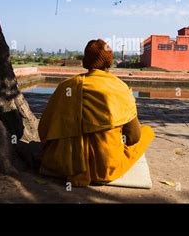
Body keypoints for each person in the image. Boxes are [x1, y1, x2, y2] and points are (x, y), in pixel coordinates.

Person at [38, 39, 154, 186]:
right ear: (109, 62)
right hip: (105, 168)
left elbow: (43, 131)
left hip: (63, 165)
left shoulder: (65, 87)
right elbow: (133, 137)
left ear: (86, 61)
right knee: (147, 132)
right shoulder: (120, 88)